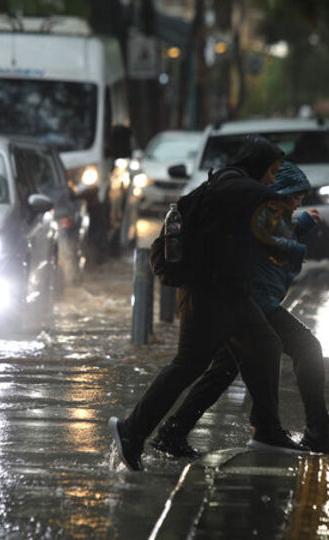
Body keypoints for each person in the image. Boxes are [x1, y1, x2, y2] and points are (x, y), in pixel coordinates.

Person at [108, 135, 307, 472]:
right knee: (188, 364)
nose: (274, 178)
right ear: (257, 166)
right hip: (207, 294)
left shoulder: (237, 189)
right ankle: (132, 430)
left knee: (266, 344)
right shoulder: (232, 185)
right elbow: (252, 201)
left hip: (233, 293)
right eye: (272, 171)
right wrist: (274, 199)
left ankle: (267, 430)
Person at [148, 162, 329, 459]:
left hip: (246, 303)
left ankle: (173, 432)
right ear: (278, 194)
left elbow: (277, 235)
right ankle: (314, 431)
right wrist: (301, 228)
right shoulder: (259, 215)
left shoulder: (266, 214)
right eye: (294, 197)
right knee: (307, 348)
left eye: (300, 198)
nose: (298, 203)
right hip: (255, 304)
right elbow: (273, 241)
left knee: (222, 370)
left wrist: (300, 223)